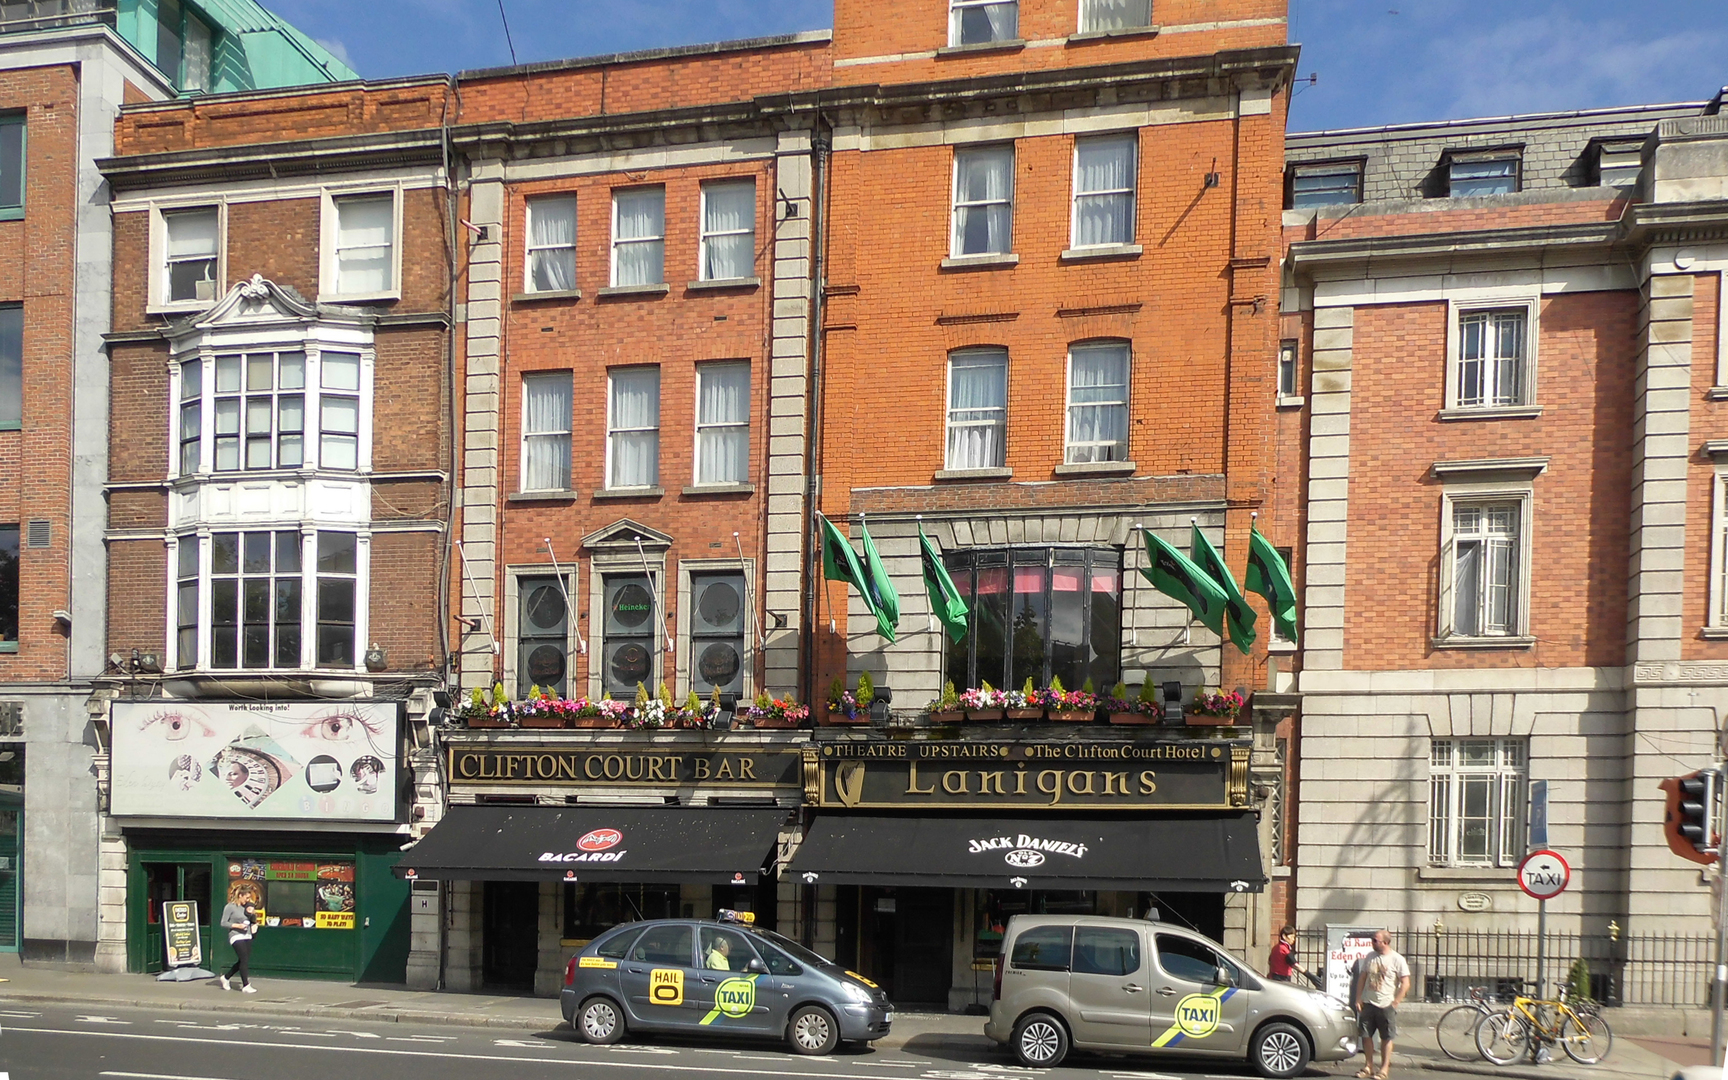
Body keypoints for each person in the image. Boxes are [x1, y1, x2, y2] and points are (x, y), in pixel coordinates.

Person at [1351, 930, 1410, 1080]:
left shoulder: (1397, 959)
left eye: (1375, 940)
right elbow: (1362, 977)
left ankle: (1384, 1069)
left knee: (1386, 1037)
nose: (1372, 942)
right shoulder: (1370, 956)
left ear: (1385, 942)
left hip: (1385, 1004)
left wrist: (1395, 1002)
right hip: (1368, 1002)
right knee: (1365, 1036)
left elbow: (1405, 983)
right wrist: (1358, 998)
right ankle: (1368, 1066)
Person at [220, 898, 259, 993]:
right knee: (244, 959)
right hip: (236, 935)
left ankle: (226, 977)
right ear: (240, 895)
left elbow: (252, 920)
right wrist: (237, 926)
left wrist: (254, 923)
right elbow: (223, 923)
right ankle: (246, 985)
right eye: (246, 897)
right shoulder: (230, 906)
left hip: (247, 935)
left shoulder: (248, 906)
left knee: (243, 960)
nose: (247, 899)